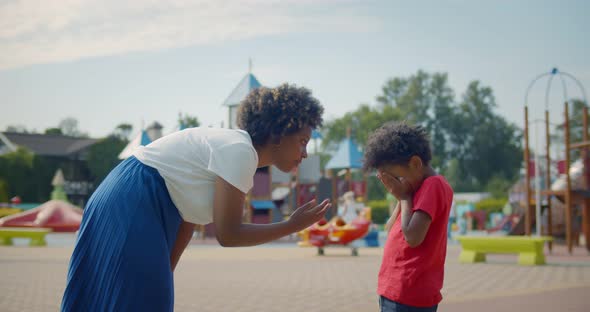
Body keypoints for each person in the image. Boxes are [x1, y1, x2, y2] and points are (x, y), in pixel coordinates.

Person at [61, 83, 331, 312]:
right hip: (134, 196)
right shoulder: (240, 151)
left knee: (137, 300)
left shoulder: (236, 152)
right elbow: (229, 235)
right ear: (278, 134)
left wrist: (163, 276)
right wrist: (292, 226)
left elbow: (186, 217)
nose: (305, 152)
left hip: (128, 193)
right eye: (303, 141)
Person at [363, 122, 454, 312]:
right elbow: (391, 229)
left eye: (397, 177)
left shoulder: (434, 185)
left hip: (410, 293)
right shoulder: (416, 188)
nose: (396, 183)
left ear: (415, 164)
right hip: (396, 290)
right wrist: (402, 196)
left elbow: (412, 237)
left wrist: (404, 197)